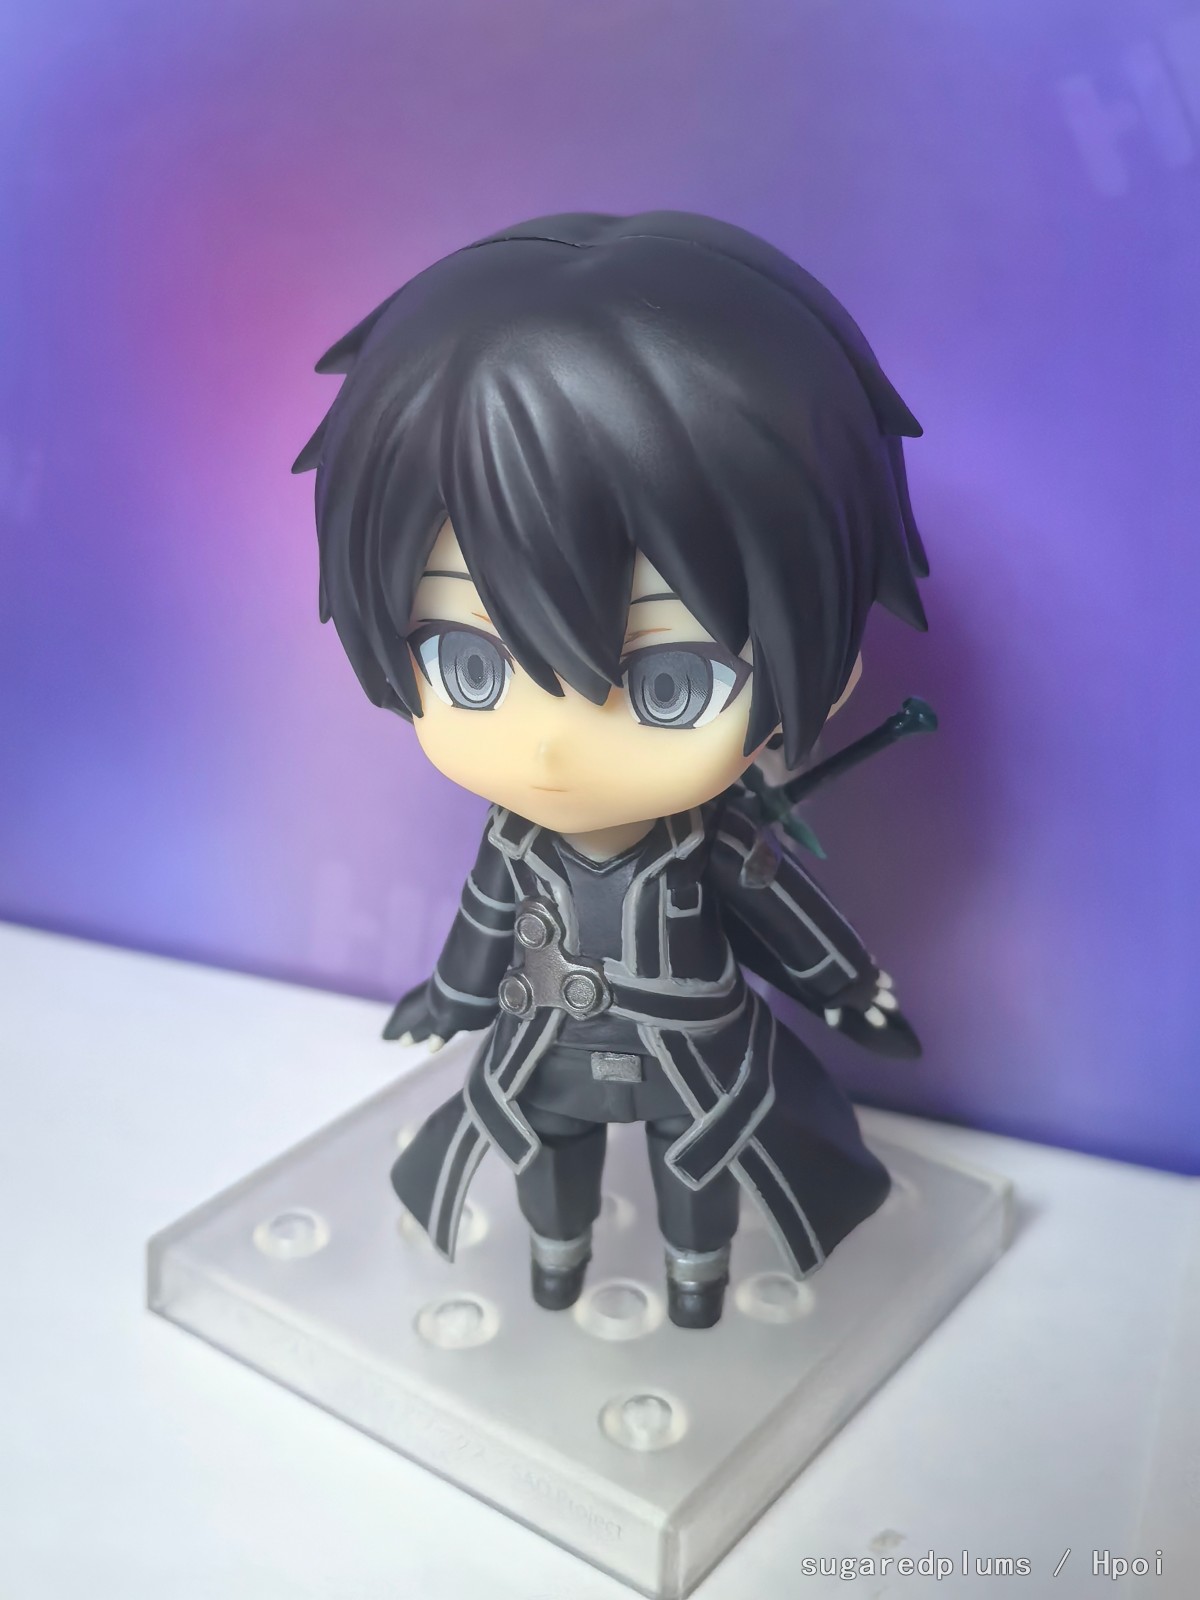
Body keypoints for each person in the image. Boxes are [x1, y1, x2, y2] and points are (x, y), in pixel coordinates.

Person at [292, 210, 930, 1328]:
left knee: (698, 1169)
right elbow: (484, 925)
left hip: (692, 1058)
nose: (553, 743)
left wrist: (847, 988)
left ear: (826, 671)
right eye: (471, 664)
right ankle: (556, 1260)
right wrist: (449, 997)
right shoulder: (514, 840)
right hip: (543, 1049)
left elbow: (783, 915)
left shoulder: (708, 842)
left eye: (668, 680)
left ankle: (695, 1283)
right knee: (545, 1158)